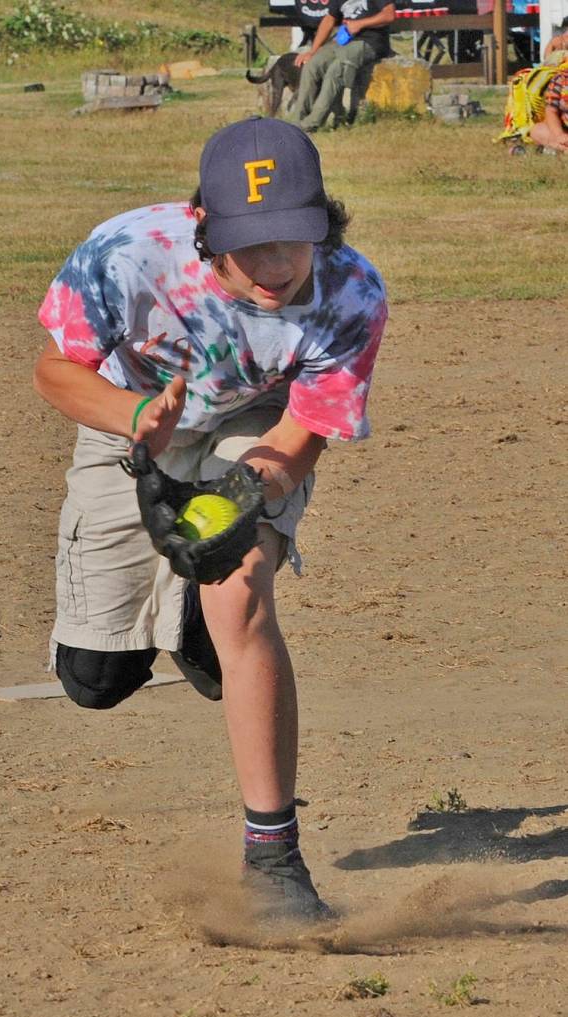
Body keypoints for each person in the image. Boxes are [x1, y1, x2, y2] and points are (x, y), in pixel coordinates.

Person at [33, 116, 387, 922]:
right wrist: (135, 421)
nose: (275, 267)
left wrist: (240, 498)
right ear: (205, 232)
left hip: (252, 421)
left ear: (322, 226)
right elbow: (56, 370)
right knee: (94, 681)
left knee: (242, 588)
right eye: (252, 246)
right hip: (132, 413)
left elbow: (302, 433)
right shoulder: (126, 254)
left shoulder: (351, 292)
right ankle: (190, 622)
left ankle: (274, 859)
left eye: (292, 241)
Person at [291, 0, 396, 134]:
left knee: (336, 70)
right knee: (312, 66)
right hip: (342, 40)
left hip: (369, 42)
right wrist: (312, 51)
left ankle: (310, 124)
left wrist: (360, 24)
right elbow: (329, 19)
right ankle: (295, 122)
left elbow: (389, 15)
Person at [529, 63, 568, 153]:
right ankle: (562, 147)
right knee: (537, 131)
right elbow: (551, 111)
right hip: (564, 130)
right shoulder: (560, 79)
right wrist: (559, 134)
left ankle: (560, 148)